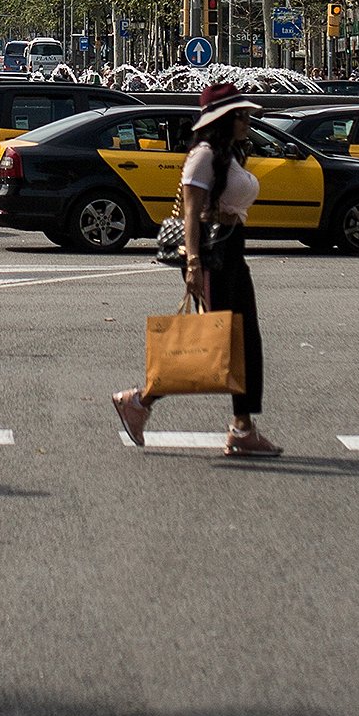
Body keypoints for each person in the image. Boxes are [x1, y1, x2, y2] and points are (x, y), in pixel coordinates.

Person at [110, 81, 278, 458]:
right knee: (209, 343)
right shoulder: (203, 155)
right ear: (226, 119)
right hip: (212, 254)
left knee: (244, 340)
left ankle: (243, 428)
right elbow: (190, 212)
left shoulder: (228, 153)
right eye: (243, 114)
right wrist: (193, 263)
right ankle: (139, 400)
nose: (248, 119)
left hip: (233, 249)